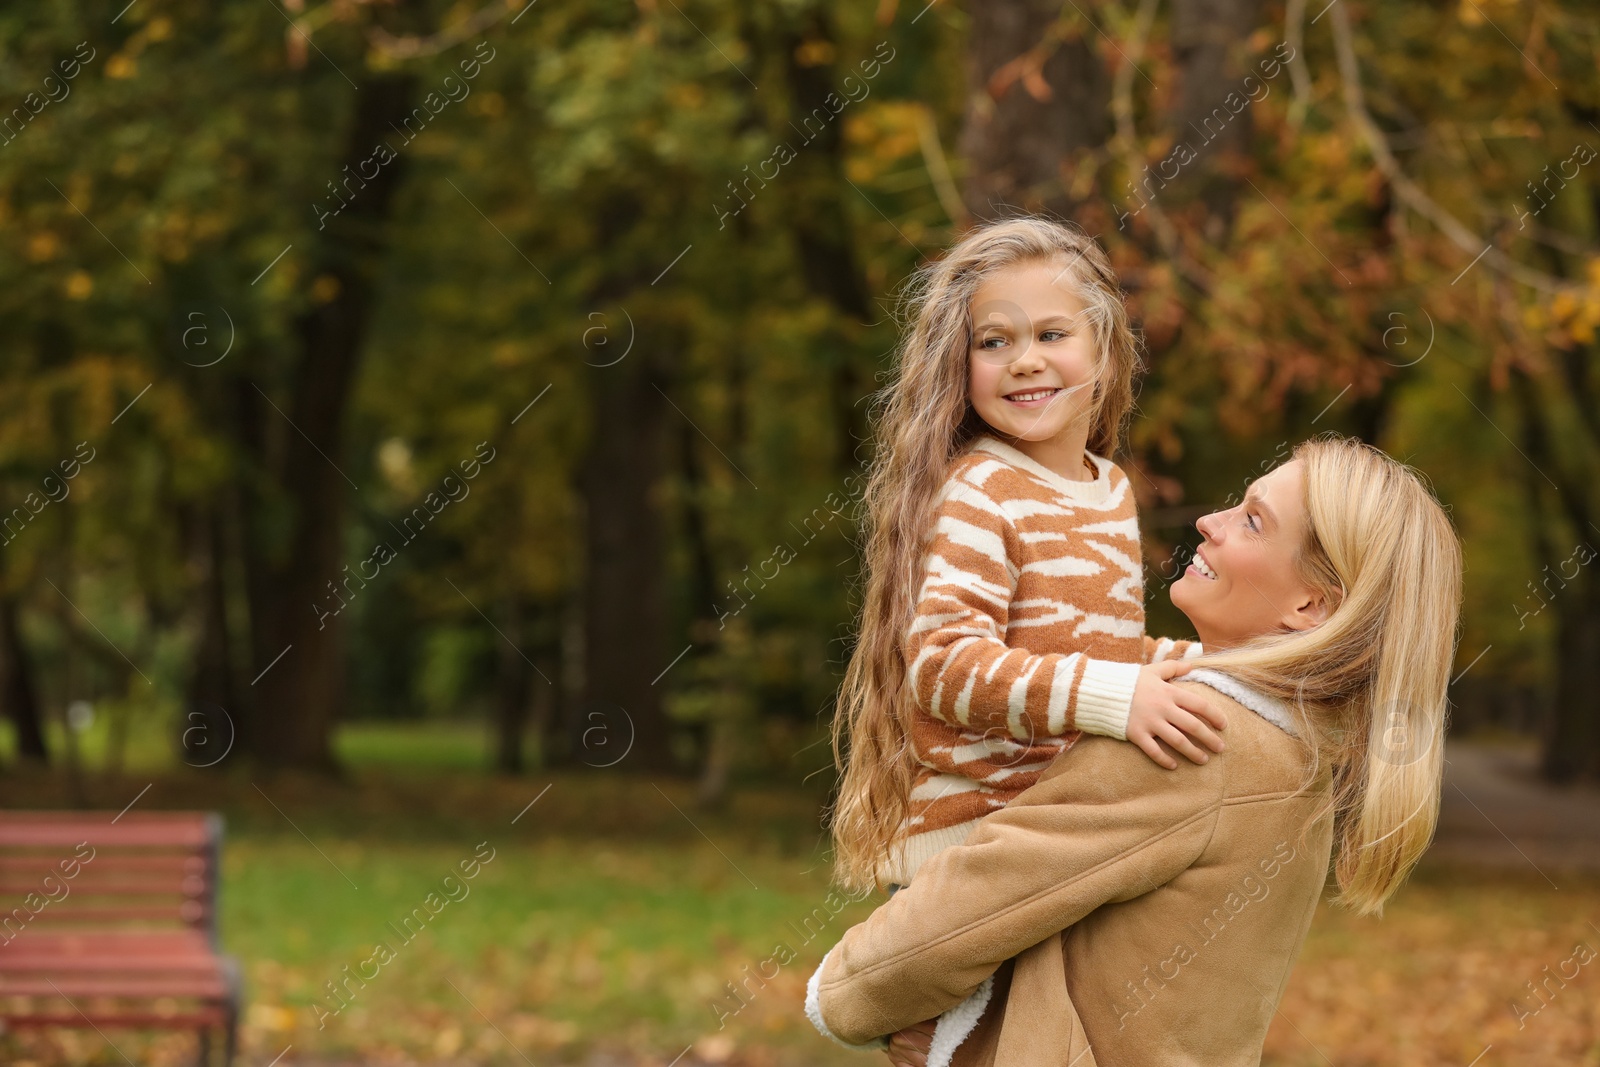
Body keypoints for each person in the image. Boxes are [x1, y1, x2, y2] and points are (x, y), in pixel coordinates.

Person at [807, 436, 1463, 1066]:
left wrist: (838, 994)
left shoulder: (1193, 738)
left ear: (1311, 603)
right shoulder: (1297, 750)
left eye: (1253, 521)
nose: (1211, 521)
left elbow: (965, 912)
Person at [830, 216, 1226, 921]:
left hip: (1058, 843)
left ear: (1105, 350)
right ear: (960, 363)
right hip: (970, 851)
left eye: (1051, 334)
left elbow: (1090, 658)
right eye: (994, 341)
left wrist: (1220, 668)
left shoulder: (1107, 487)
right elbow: (945, 667)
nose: (1025, 360)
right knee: (953, 1038)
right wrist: (1116, 694)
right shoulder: (980, 489)